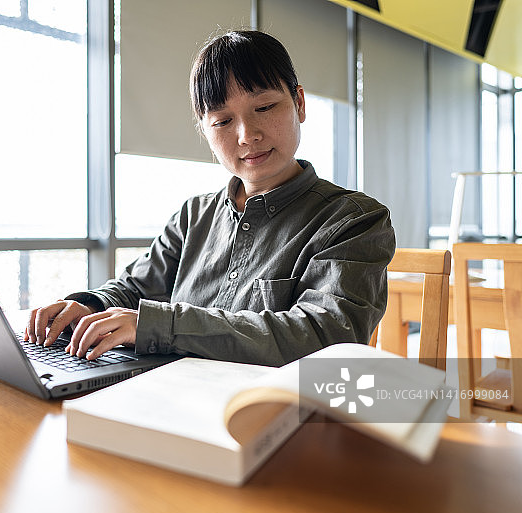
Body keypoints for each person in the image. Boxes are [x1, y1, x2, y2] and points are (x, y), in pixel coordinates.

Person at [25, 30, 395, 366]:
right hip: (166, 394)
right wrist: (88, 305)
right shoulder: (193, 215)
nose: (247, 135)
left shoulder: (354, 220)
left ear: (299, 103)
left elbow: (325, 337)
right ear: (204, 129)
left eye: (264, 107)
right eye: (222, 121)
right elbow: (136, 288)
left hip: (274, 415)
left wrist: (161, 325)